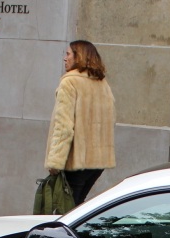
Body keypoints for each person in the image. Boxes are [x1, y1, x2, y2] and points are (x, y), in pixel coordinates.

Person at [45, 40, 116, 205]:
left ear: (79, 57)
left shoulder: (69, 82)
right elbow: (110, 121)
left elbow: (64, 127)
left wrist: (55, 162)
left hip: (76, 163)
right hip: (97, 163)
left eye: (68, 54)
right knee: (77, 206)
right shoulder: (102, 83)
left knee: (65, 210)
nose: (64, 58)